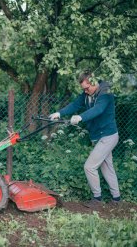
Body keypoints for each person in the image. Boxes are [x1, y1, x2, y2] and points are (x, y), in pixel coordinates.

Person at [49, 70, 121, 208]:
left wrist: (80, 117)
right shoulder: (88, 94)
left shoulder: (106, 94)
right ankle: (116, 199)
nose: (85, 91)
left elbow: (98, 110)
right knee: (107, 167)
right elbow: (75, 105)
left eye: (87, 88)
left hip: (108, 136)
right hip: (98, 136)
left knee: (89, 167)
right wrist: (59, 113)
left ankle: (97, 199)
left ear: (93, 82)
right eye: (84, 89)